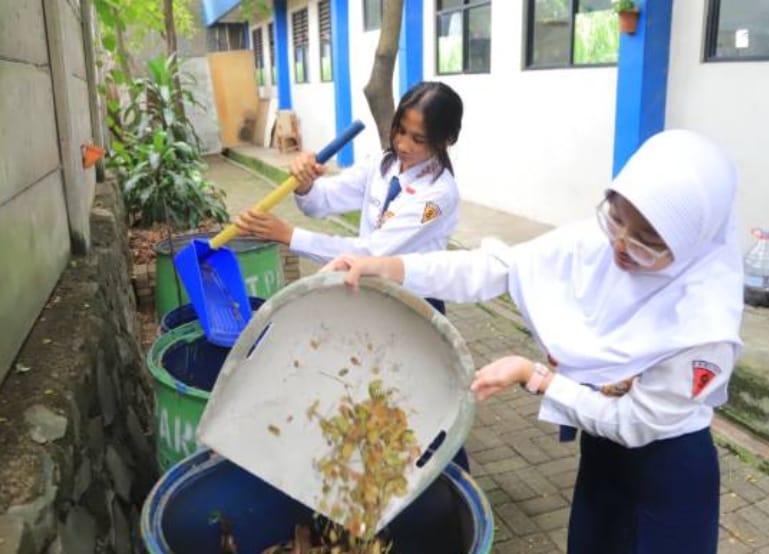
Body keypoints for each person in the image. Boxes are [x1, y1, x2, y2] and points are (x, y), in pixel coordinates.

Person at [323, 130, 744, 554]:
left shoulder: (703, 327)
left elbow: (634, 424)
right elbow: (498, 267)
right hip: (602, 451)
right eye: (616, 219)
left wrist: (538, 378)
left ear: (691, 241)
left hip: (667, 467)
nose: (620, 245)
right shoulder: (598, 243)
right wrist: (391, 267)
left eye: (646, 242)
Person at [235, 81, 464, 316]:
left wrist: (288, 235)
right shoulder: (382, 164)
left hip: (415, 306)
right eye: (401, 130)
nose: (403, 145)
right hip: (371, 293)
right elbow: (322, 201)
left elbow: (370, 253)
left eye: (418, 139)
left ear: (447, 139)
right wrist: (305, 185)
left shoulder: (438, 195)